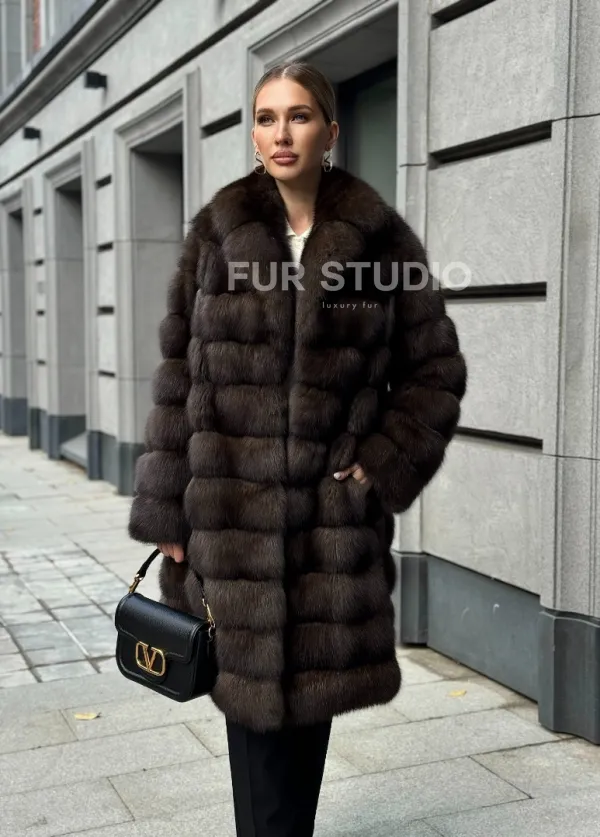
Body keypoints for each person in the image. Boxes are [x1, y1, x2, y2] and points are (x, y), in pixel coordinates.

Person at [128, 60, 467, 837]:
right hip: (230, 523)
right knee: (249, 714)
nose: (282, 132)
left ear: (331, 131)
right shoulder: (218, 232)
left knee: (306, 713)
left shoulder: (379, 239)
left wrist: (379, 459)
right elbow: (178, 377)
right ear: (254, 134)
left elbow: (435, 370)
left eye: (300, 115)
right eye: (267, 117)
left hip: (327, 528)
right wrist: (166, 511)